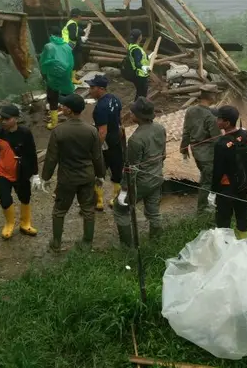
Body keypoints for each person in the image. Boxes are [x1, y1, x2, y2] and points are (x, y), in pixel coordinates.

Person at [40, 94, 104, 251]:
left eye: (64, 106)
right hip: (87, 176)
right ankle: (87, 243)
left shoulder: (59, 131)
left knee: (59, 211)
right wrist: (100, 174)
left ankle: (56, 243)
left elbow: (51, 158)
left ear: (69, 110)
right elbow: (97, 156)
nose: (62, 108)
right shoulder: (91, 130)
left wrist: (46, 177)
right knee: (88, 210)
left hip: (67, 178)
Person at [113, 98, 167, 246]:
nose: (130, 114)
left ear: (139, 116)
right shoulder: (160, 128)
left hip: (141, 182)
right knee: (153, 212)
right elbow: (163, 155)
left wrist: (124, 190)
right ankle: (156, 243)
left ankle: (128, 247)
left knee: (120, 210)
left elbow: (131, 169)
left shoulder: (136, 140)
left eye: (132, 112)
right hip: (156, 177)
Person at [0, 105, 41, 240]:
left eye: (6, 119)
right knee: (5, 199)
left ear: (15, 119)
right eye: (2, 118)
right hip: (3, 172)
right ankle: (9, 223)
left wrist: (35, 174)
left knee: (25, 197)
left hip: (21, 172)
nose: (3, 121)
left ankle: (25, 223)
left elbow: (32, 154)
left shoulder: (25, 133)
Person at [208, 106, 247, 240]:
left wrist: (213, 191)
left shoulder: (221, 143)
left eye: (219, 118)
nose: (216, 120)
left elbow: (218, 170)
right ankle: (244, 243)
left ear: (227, 123)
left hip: (227, 187)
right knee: (243, 215)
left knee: (223, 219)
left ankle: (225, 247)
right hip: (245, 183)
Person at [180, 84, 222, 214]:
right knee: (207, 181)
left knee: (205, 177)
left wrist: (184, 147)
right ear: (211, 96)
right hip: (208, 154)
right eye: (215, 94)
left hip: (196, 150)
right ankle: (202, 209)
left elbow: (186, 131)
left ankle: (208, 202)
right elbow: (217, 139)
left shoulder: (190, 110)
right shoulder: (210, 116)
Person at [88, 74, 124, 210]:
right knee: (116, 169)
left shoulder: (101, 108)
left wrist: (96, 148)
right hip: (116, 139)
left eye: (92, 87)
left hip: (106, 143)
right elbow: (120, 120)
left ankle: (99, 201)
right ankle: (116, 197)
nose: (90, 90)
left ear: (101, 89)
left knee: (98, 170)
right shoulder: (115, 99)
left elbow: (102, 131)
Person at [40, 26, 76, 130]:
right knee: (70, 98)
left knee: (53, 99)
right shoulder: (67, 46)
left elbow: (43, 63)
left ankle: (54, 123)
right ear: (61, 35)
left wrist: (44, 76)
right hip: (65, 76)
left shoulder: (48, 46)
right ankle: (73, 119)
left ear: (51, 35)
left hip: (53, 77)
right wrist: (68, 74)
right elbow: (71, 62)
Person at [122, 29, 151, 99]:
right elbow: (137, 63)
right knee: (142, 94)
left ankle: (137, 107)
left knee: (139, 93)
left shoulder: (131, 46)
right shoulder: (136, 49)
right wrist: (144, 67)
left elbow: (140, 58)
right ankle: (138, 108)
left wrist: (149, 57)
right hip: (140, 74)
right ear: (139, 37)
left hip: (137, 73)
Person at [62, 8, 89, 85]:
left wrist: (84, 31)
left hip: (69, 46)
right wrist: (81, 38)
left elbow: (77, 31)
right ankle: (72, 79)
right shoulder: (72, 24)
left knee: (73, 62)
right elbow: (72, 37)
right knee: (73, 62)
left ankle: (71, 78)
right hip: (69, 46)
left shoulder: (72, 23)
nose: (81, 17)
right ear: (78, 16)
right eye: (80, 15)